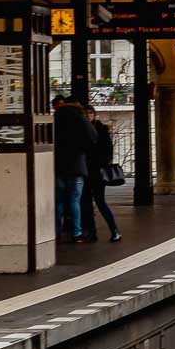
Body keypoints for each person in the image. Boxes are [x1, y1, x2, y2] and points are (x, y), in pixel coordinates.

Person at [53, 99, 96, 243]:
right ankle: (76, 233)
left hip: (58, 166)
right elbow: (93, 137)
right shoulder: (80, 119)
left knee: (59, 201)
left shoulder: (56, 118)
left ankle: (56, 232)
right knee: (74, 200)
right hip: (77, 165)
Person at [80, 105, 122, 243]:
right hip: (86, 171)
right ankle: (92, 233)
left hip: (97, 171)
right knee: (86, 203)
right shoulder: (83, 130)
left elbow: (108, 150)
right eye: (86, 113)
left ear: (94, 115)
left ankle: (114, 230)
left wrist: (101, 164)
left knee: (100, 201)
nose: (88, 115)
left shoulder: (101, 129)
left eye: (90, 113)